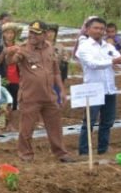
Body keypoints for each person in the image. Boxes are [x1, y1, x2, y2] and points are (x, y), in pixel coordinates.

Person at [6, 21, 75, 163]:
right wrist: (10, 55)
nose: (32, 36)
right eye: (31, 32)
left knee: (55, 126)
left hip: (49, 95)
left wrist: (62, 91)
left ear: (45, 34)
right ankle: (26, 155)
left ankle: (61, 153)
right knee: (26, 129)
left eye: (36, 34)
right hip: (30, 96)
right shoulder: (23, 49)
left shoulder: (50, 48)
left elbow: (56, 72)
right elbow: (11, 62)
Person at [76, 17, 121, 156]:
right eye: (96, 28)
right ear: (87, 29)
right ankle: (84, 152)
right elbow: (92, 64)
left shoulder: (109, 46)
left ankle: (103, 150)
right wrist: (113, 61)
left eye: (101, 29)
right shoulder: (84, 47)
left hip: (109, 89)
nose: (99, 31)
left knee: (107, 122)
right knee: (89, 122)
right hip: (92, 89)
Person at [0, 22, 21, 131]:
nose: (9, 35)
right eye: (7, 33)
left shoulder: (19, 46)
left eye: (12, 33)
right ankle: (1, 125)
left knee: (14, 103)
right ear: (3, 34)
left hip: (16, 77)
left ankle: (11, 124)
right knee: (3, 102)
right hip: (4, 78)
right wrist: (3, 53)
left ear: (14, 34)